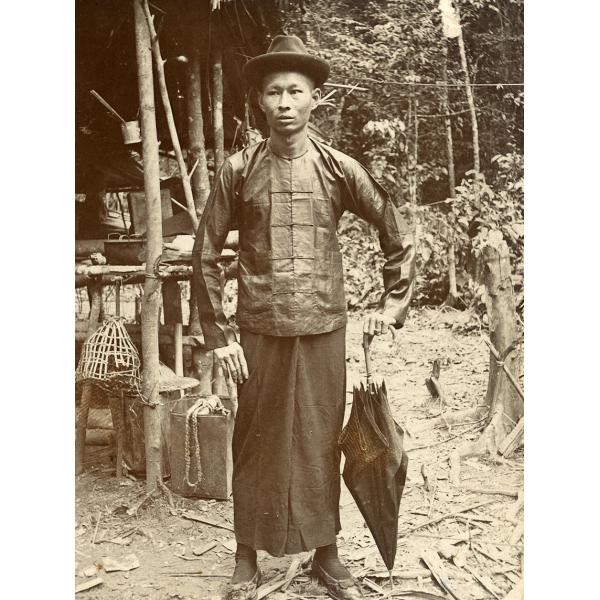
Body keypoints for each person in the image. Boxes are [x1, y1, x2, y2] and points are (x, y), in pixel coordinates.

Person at [192, 35, 416, 600]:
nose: (285, 102)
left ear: (317, 98)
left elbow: (396, 232)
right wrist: (219, 335)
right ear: (260, 102)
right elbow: (206, 253)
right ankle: (246, 552)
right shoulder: (238, 170)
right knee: (254, 436)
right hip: (258, 329)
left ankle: (327, 551)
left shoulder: (340, 169)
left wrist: (391, 308)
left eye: (296, 91)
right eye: (274, 92)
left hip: (322, 325)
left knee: (320, 438)